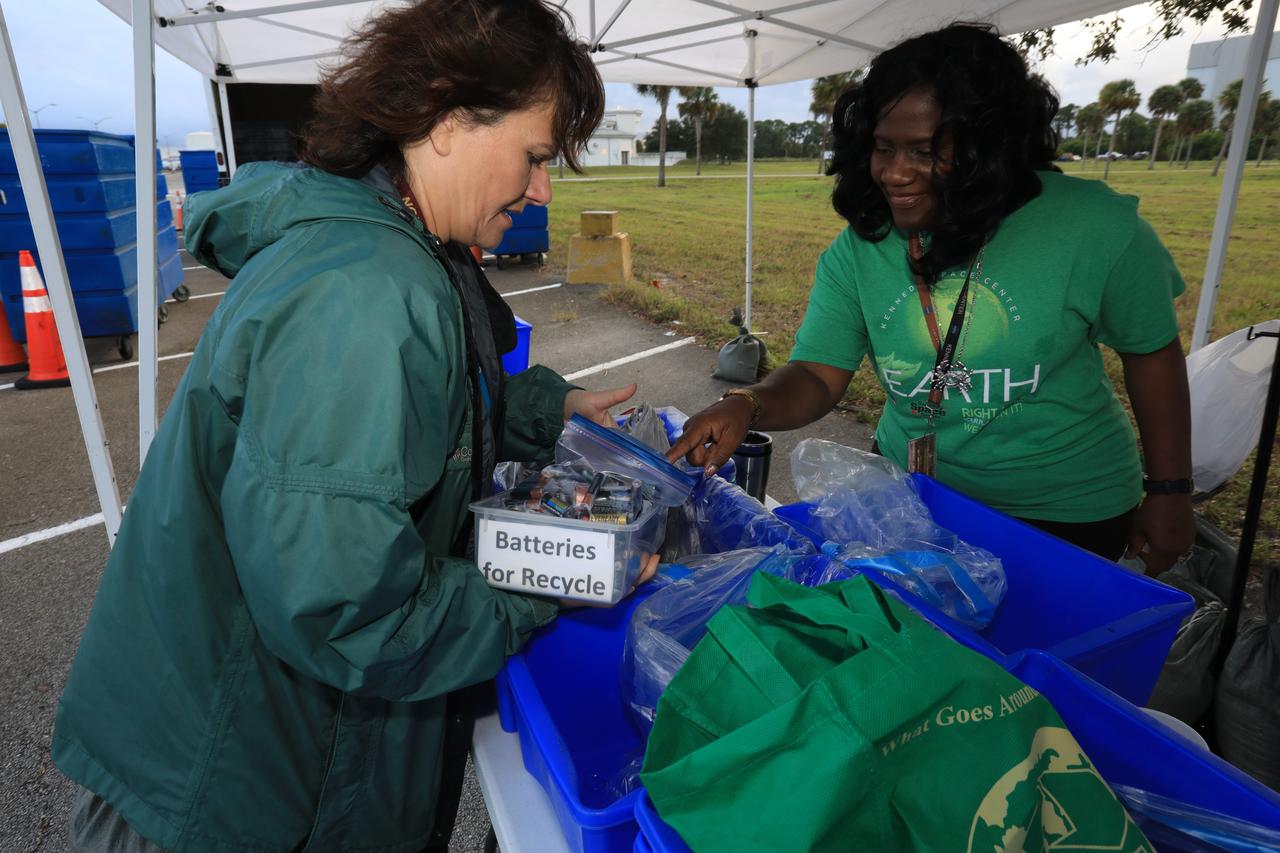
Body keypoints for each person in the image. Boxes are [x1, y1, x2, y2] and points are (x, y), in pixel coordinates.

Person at [52, 2, 655, 851]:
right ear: (448, 122)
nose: (541, 189)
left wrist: (544, 407)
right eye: (535, 155)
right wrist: (550, 584)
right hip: (228, 793)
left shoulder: (385, 241)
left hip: (255, 760)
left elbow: (415, 421)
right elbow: (347, 606)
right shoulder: (363, 291)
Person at [670, 23, 1194, 574]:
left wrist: (1170, 490)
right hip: (910, 502)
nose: (895, 173)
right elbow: (819, 375)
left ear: (989, 149)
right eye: (883, 148)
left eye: (924, 151)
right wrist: (744, 404)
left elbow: (1152, 355)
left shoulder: (1096, 227)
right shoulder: (861, 247)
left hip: (1063, 514)